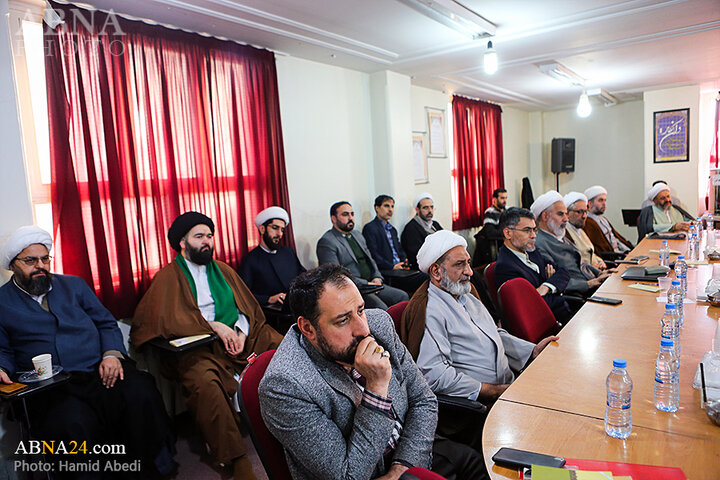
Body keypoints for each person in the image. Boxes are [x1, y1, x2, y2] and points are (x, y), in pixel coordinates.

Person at [258, 264, 486, 480]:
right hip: (368, 471)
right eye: (342, 320)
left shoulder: (379, 324)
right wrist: (376, 389)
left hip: (410, 448)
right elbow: (348, 474)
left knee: (478, 465)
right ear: (308, 328)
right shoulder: (285, 385)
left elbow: (423, 399)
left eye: (360, 310)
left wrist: (403, 467)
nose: (363, 329)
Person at [0, 226, 175, 477]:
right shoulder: (3, 302)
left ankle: (152, 470)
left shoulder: (74, 285)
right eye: (30, 260)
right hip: (52, 386)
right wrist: (1, 367)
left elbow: (105, 323)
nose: (40, 265)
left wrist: (111, 354)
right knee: (72, 423)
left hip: (98, 369)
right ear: (13, 265)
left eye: (45, 258)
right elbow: (2, 349)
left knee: (140, 394)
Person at [132, 212, 282, 480]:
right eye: (199, 236)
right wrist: (213, 326)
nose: (207, 242)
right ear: (182, 242)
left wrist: (237, 330)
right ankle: (236, 457)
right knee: (203, 381)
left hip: (241, 339)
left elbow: (246, 308)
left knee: (280, 343)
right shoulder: (169, 277)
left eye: (209, 236)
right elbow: (158, 321)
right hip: (199, 348)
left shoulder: (223, 270)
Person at [409, 231, 557, 403]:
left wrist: (531, 351)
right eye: (460, 264)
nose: (470, 272)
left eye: (468, 263)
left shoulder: (467, 296)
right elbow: (435, 375)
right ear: (436, 271)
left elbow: (494, 334)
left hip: (510, 386)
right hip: (483, 402)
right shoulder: (430, 310)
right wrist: (491, 391)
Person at [317, 201, 408, 309]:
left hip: (373, 284)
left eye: (352, 214)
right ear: (334, 218)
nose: (350, 218)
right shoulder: (327, 241)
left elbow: (371, 259)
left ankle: (400, 326)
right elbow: (335, 276)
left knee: (402, 297)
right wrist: (366, 283)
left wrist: (377, 277)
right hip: (354, 288)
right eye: (345, 214)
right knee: (381, 307)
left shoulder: (357, 235)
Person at [494, 208, 573, 325]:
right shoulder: (505, 267)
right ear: (508, 233)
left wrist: (546, 287)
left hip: (563, 315)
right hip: (550, 326)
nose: (533, 236)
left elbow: (564, 272)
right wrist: (554, 285)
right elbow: (532, 307)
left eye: (534, 230)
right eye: (527, 231)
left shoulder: (531, 251)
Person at [532, 191, 613, 297]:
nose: (566, 219)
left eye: (566, 214)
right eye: (561, 214)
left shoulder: (560, 236)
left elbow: (582, 264)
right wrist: (589, 284)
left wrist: (600, 273)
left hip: (592, 286)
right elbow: (555, 279)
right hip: (579, 295)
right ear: (545, 216)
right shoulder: (539, 244)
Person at [238, 206, 306, 307]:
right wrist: (269, 299)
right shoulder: (250, 260)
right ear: (262, 229)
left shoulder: (288, 252)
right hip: (271, 313)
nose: (279, 234)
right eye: (275, 228)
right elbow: (243, 295)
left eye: (282, 230)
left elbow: (303, 276)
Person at [363, 195, 427, 294]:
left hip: (400, 270)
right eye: (386, 206)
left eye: (392, 206)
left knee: (427, 275)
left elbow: (399, 249)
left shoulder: (392, 229)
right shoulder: (370, 228)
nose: (390, 210)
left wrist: (405, 261)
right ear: (377, 208)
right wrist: (392, 266)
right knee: (425, 278)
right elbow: (373, 255)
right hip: (387, 272)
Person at [582, 185, 633, 256]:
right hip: (614, 258)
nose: (604, 204)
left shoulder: (603, 219)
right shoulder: (587, 223)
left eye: (605, 200)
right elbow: (599, 251)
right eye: (600, 200)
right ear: (590, 203)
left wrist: (629, 251)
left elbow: (616, 239)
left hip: (621, 254)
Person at [564, 192, 607, 271]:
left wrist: (600, 262)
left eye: (585, 212)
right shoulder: (565, 233)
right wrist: (592, 268)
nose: (584, 216)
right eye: (579, 212)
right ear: (567, 213)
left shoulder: (579, 229)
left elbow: (591, 253)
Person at [401, 193, 443, 269]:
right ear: (417, 210)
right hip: (426, 267)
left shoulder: (435, 225)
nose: (430, 211)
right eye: (425, 208)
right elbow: (418, 255)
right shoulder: (411, 228)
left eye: (431, 207)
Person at [472, 188, 507, 268]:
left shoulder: (508, 210)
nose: (504, 200)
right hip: (495, 244)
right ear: (495, 199)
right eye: (502, 198)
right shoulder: (490, 212)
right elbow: (490, 232)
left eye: (505, 198)